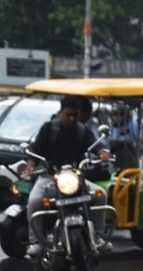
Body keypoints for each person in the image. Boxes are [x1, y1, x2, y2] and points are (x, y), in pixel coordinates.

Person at [24, 95, 111, 258]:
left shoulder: (81, 130)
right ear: (60, 112)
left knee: (100, 194)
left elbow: (95, 144)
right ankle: (35, 242)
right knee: (34, 201)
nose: (72, 118)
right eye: (68, 114)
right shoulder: (49, 128)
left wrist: (102, 151)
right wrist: (31, 163)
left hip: (74, 177)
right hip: (49, 177)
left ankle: (98, 235)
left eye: (75, 115)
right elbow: (35, 150)